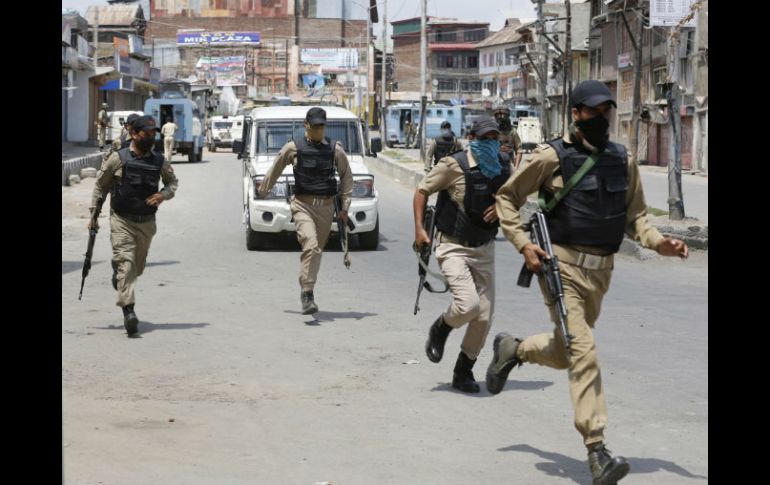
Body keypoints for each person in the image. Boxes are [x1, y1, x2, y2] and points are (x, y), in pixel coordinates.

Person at [486, 80, 689, 484]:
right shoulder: (551, 156)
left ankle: (515, 349)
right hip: (560, 265)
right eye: (593, 111)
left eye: (606, 111)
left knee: (568, 352)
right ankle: (597, 449)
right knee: (585, 351)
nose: (602, 118)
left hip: (602, 271)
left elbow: (636, 219)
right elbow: (507, 198)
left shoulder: (622, 159)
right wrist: (524, 244)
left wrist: (660, 243)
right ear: (575, 113)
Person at [414, 116, 513, 393]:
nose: (491, 143)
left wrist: (503, 206)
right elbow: (422, 190)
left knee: (483, 316)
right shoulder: (453, 165)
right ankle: (441, 327)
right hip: (453, 246)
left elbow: (517, 194)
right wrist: (420, 230)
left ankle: (463, 371)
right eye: (484, 138)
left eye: (495, 138)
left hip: (484, 247)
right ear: (472, 138)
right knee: (468, 305)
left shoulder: (504, 165)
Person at [257, 107, 353, 315]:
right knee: (311, 245)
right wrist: (264, 189)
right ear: (306, 126)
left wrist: (345, 207)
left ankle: (307, 285)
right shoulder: (294, 148)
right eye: (315, 126)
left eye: (322, 126)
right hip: (302, 205)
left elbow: (346, 177)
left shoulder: (335, 149)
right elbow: (276, 167)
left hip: (326, 208)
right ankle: (307, 293)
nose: (319, 130)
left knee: (316, 250)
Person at [89, 115, 179, 336]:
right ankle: (129, 311)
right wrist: (94, 215)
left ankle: (118, 272)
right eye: (145, 134)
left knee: (136, 268)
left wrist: (163, 195)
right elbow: (100, 187)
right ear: (133, 134)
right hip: (122, 220)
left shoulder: (158, 161)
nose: (150, 138)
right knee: (127, 263)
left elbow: (172, 183)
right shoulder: (117, 159)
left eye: (152, 134)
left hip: (146, 223)